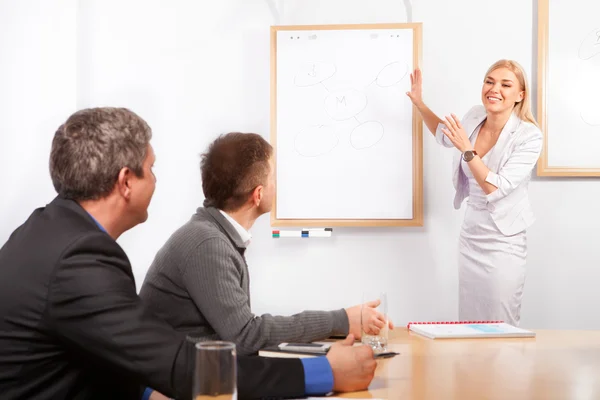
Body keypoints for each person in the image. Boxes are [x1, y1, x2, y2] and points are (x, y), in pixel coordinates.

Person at [0, 108, 377, 400]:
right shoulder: (80, 258)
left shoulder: (47, 232)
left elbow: (100, 351)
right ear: (126, 182)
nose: (157, 179)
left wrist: (145, 392)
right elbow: (185, 366)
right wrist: (323, 373)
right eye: (151, 169)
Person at [139, 132, 393, 357]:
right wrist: (342, 320)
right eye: (273, 177)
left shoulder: (212, 235)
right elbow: (246, 336)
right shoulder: (206, 243)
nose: (277, 185)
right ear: (258, 194)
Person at [406, 60, 543, 326]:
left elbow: (495, 187)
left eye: (506, 84)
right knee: (470, 322)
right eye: (490, 81)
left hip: (504, 240)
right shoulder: (474, 115)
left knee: (501, 321)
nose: (495, 89)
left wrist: (468, 150)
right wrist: (420, 104)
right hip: (471, 235)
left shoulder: (529, 136)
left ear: (520, 95)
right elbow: (446, 135)